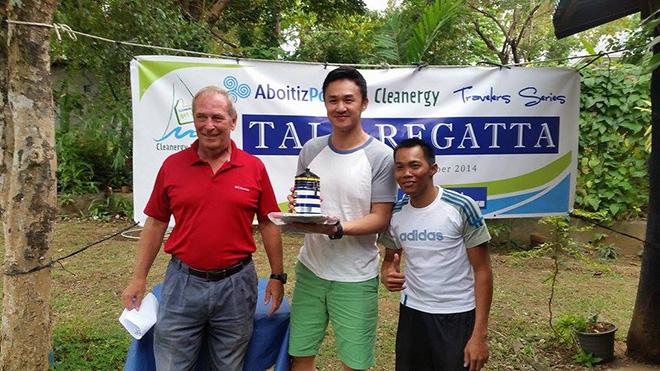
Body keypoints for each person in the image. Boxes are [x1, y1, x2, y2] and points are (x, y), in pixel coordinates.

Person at [121, 86, 285, 371]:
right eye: (201, 117)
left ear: (233, 121)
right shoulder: (173, 166)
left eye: (218, 117)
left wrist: (277, 275)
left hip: (237, 284)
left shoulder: (253, 167)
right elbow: (156, 222)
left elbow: (269, 222)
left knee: (230, 365)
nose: (209, 125)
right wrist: (138, 278)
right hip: (182, 283)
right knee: (171, 365)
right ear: (193, 120)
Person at [287, 67, 397, 371]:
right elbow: (307, 201)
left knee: (354, 362)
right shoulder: (311, 149)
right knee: (300, 353)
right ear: (325, 104)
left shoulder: (381, 156)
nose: (340, 107)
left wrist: (338, 228)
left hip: (356, 276)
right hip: (311, 269)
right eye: (332, 100)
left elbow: (381, 218)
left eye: (348, 99)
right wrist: (299, 209)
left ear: (364, 102)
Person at [380, 138, 493, 371]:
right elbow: (390, 259)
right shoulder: (397, 212)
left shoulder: (461, 207)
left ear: (433, 169)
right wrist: (388, 273)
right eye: (399, 167)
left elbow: (483, 271)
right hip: (413, 314)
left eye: (414, 165)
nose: (406, 173)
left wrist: (479, 335)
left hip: (456, 315)